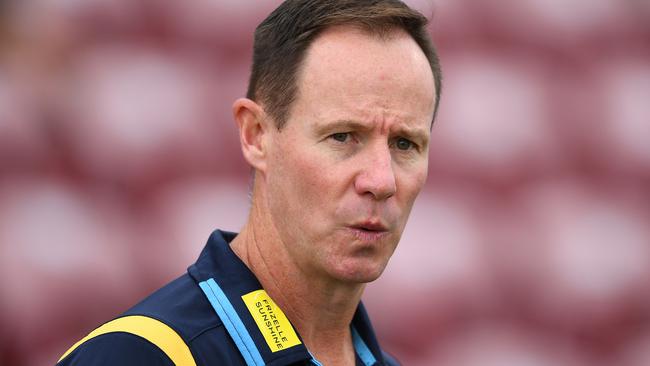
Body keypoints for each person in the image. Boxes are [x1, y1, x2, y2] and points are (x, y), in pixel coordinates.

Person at [56, 0, 442, 365]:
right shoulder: (139, 356)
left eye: (405, 144)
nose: (381, 180)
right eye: (342, 136)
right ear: (256, 134)